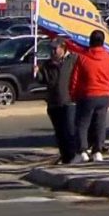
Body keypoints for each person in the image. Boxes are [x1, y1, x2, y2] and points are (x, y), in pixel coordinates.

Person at [69, 30, 109, 164]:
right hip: (104, 95)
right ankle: (97, 150)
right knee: (100, 124)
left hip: (87, 95)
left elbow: (75, 79)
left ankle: (82, 151)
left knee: (82, 124)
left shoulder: (83, 58)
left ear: (90, 41)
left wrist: (73, 94)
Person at [35, 37, 78, 165]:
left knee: (70, 130)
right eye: (51, 49)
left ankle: (73, 155)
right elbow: (43, 80)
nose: (52, 51)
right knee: (60, 133)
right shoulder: (48, 65)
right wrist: (37, 73)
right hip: (54, 103)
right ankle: (65, 157)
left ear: (63, 48)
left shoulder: (73, 60)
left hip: (69, 101)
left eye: (55, 49)